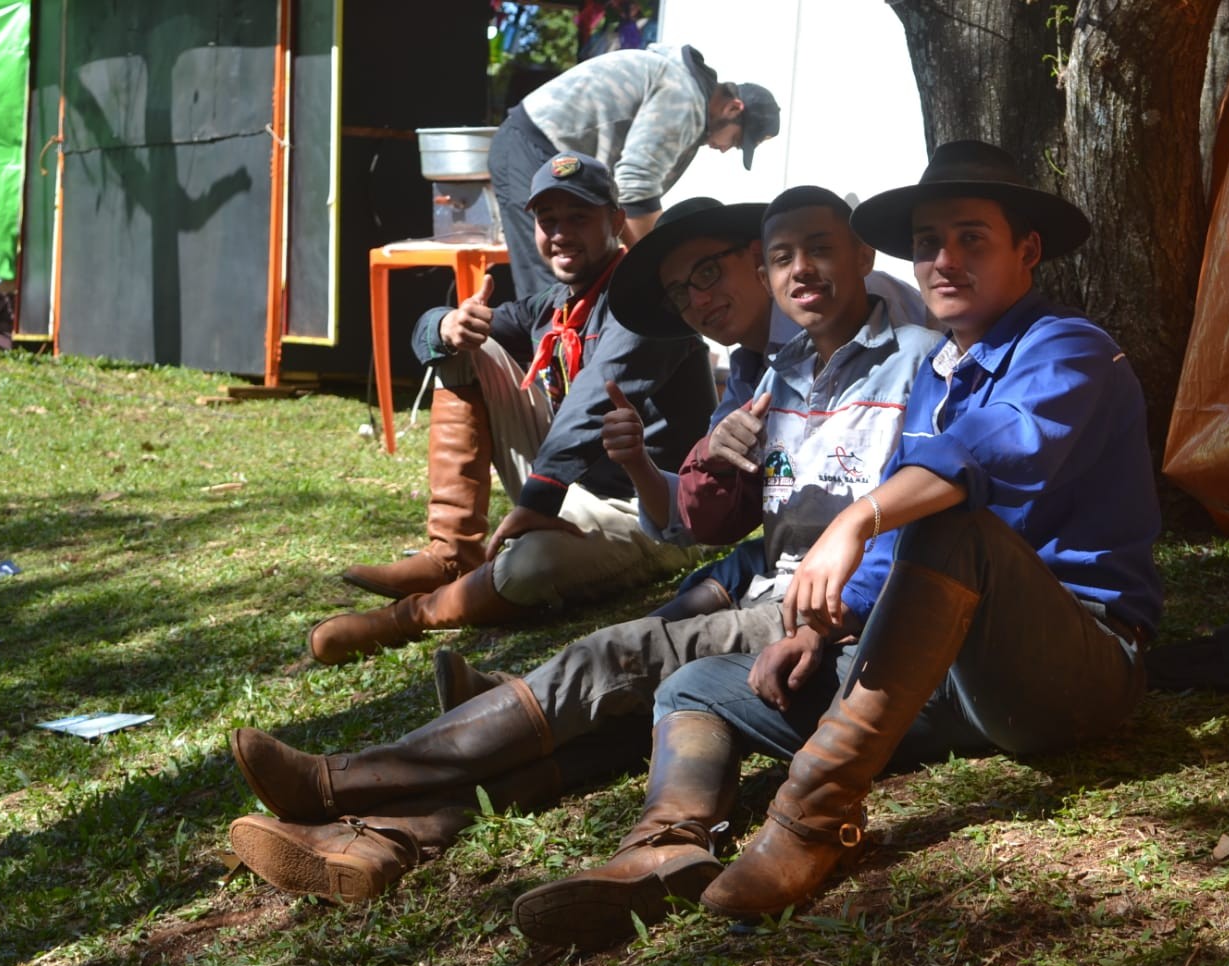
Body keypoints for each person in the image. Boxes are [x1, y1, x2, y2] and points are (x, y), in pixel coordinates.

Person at [510, 140, 1164, 949]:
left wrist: (857, 520)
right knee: (699, 684)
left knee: (954, 523)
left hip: (1077, 669)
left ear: (1025, 250)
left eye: (972, 238)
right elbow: (900, 548)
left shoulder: (1068, 347)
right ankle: (665, 848)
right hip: (956, 679)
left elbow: (997, 455)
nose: (944, 259)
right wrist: (826, 623)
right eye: (928, 242)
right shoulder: (941, 372)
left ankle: (812, 821)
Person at [226, 186, 943, 904]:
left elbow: (918, 510)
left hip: (827, 607)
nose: (698, 301)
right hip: (777, 586)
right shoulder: (772, 372)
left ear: (855, 256)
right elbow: (716, 513)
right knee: (627, 703)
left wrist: (824, 614)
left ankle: (344, 783)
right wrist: (695, 461)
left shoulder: (908, 354)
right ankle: (389, 836)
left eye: (708, 275)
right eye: (783, 257)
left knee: (618, 661)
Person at [431, 195, 934, 710]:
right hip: (786, 557)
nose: (698, 300)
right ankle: (498, 675)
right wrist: (645, 463)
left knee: (673, 639)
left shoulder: (889, 330)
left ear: (756, 262)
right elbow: (701, 511)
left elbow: (923, 483)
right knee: (683, 607)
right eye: (679, 293)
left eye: (709, 273)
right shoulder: (752, 368)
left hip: (860, 576)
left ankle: (508, 697)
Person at [312, 153, 714, 666]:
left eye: (579, 218)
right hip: (571, 487)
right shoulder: (552, 305)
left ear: (615, 222)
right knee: (468, 346)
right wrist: (445, 326)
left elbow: (596, 391)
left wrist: (539, 494)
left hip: (650, 508)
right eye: (549, 221)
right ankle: (451, 553)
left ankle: (407, 618)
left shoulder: (647, 299)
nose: (561, 233)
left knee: (529, 567)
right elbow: (436, 336)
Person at [489, 43, 780, 299]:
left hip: (556, 157)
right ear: (733, 108)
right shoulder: (685, 98)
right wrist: (663, 272)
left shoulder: (683, 92)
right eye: (737, 141)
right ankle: (544, 357)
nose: (727, 149)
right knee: (554, 282)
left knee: (587, 276)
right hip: (532, 147)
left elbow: (627, 192)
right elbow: (636, 191)